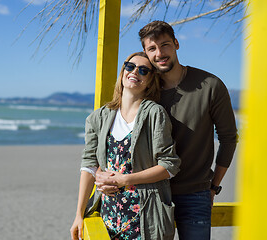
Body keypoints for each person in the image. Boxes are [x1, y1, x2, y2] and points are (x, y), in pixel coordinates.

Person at [95, 21, 238, 240]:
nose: (160, 53)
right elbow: (117, 136)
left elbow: (228, 139)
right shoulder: (144, 88)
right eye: (152, 48)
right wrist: (104, 176)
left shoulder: (210, 85)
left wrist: (214, 187)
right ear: (145, 52)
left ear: (176, 44)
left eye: (165, 45)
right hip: (150, 193)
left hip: (195, 193)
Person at [70, 52, 181, 240]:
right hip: (109, 217)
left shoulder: (155, 114)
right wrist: (79, 215)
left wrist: (124, 180)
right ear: (123, 72)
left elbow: (169, 166)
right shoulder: (99, 117)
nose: (135, 72)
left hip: (145, 218)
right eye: (130, 66)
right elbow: (89, 166)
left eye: (143, 70)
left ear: (149, 81)